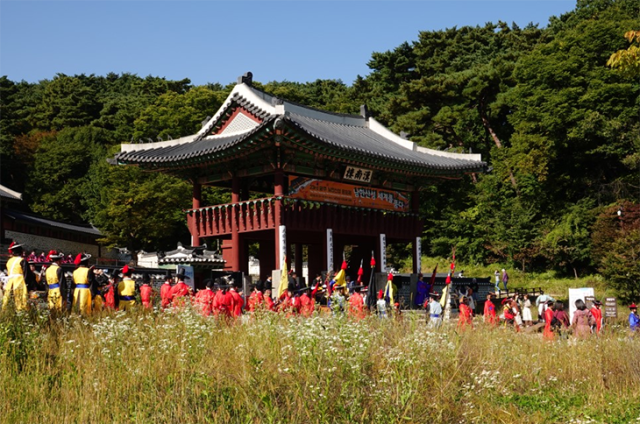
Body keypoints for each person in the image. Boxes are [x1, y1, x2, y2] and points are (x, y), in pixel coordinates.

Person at [3, 242, 35, 311]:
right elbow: (27, 275)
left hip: (10, 282)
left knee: (8, 300)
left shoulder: (9, 261)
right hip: (19, 282)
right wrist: (31, 287)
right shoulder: (22, 261)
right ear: (20, 251)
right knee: (21, 302)